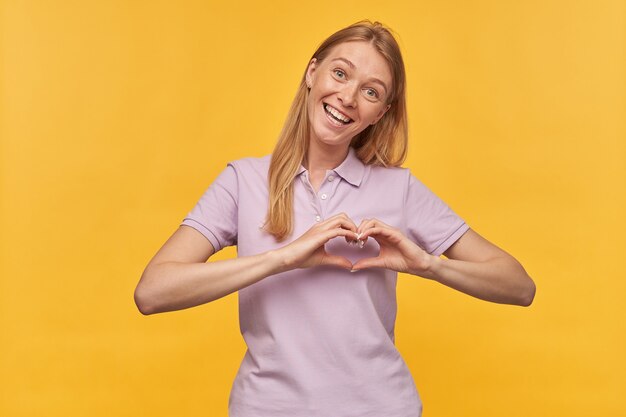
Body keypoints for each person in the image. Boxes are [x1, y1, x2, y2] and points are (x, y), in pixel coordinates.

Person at [134, 20, 536, 417]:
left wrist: (428, 266)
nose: (348, 97)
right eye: (340, 73)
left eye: (371, 91)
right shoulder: (243, 181)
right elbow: (152, 292)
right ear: (312, 72)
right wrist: (285, 257)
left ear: (381, 112)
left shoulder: (400, 189)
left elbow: (519, 286)